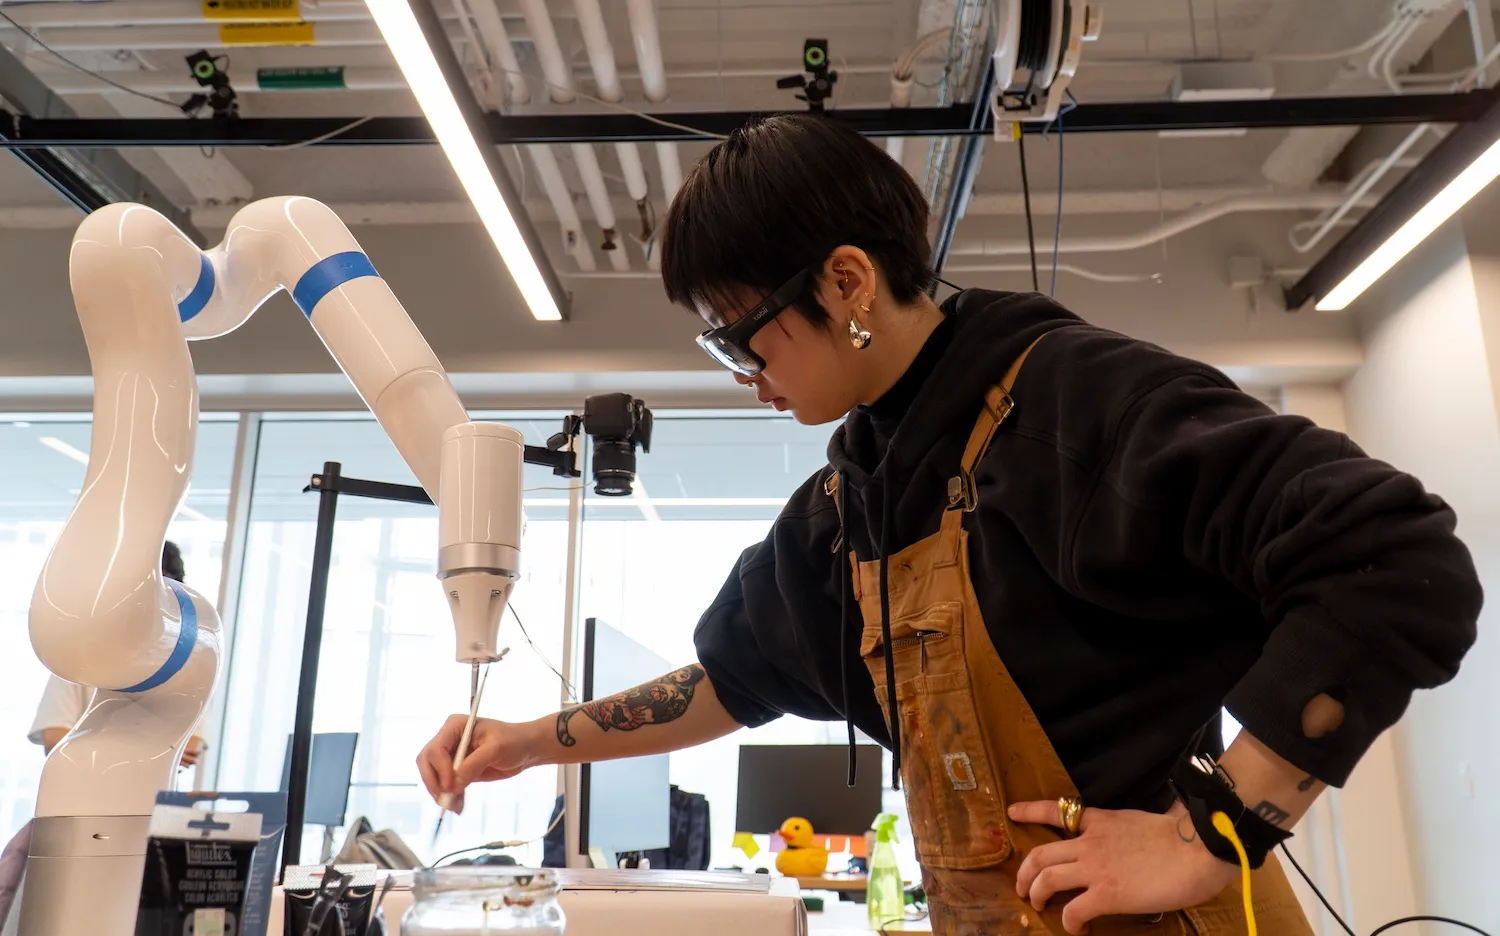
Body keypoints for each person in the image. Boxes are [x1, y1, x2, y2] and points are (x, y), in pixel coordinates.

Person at [417, 116, 1481, 935]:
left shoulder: (1075, 404)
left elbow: (1395, 561)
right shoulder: (854, 499)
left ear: (846, 282)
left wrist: (1218, 831)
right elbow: (732, 678)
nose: (747, 379)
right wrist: (524, 742)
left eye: (743, 341)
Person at [0, 541, 205, 929]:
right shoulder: (85, 653)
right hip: (80, 820)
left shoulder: (188, 661)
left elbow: (191, 745)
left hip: (150, 826)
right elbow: (55, 737)